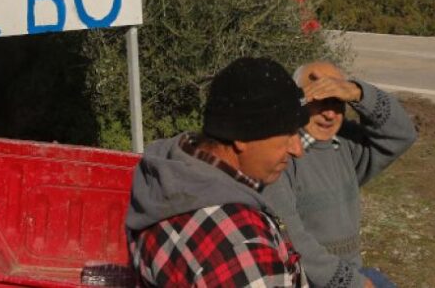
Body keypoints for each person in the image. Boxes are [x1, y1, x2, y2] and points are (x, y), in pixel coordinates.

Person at [126, 57, 311, 287]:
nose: (297, 149)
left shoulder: (167, 174)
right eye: (288, 133)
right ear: (243, 136)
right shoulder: (241, 250)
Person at [263, 61, 417, 288]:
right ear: (298, 102)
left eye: (337, 102)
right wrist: (354, 283)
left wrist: (358, 92)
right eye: (319, 102)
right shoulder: (281, 158)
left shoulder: (345, 143)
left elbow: (402, 134)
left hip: (353, 273)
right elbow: (292, 242)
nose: (329, 114)